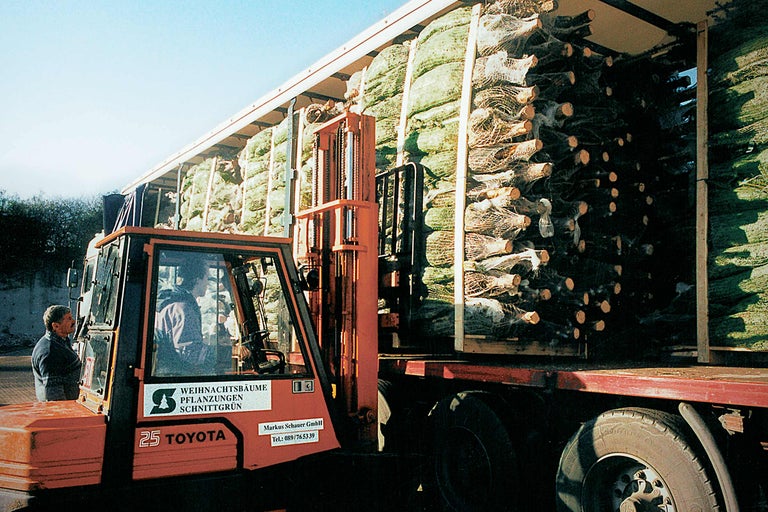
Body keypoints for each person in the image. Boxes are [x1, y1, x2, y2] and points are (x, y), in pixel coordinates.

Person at [154, 258, 212, 375]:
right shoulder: (184, 309)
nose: (208, 283)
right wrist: (227, 352)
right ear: (197, 280)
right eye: (207, 278)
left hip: (165, 371)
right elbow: (190, 353)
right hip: (178, 374)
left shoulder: (170, 300)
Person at [31, 305, 82, 401]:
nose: (74, 321)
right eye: (69, 319)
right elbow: (54, 395)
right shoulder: (50, 352)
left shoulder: (60, 343)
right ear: (56, 326)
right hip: (67, 410)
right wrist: (66, 413)